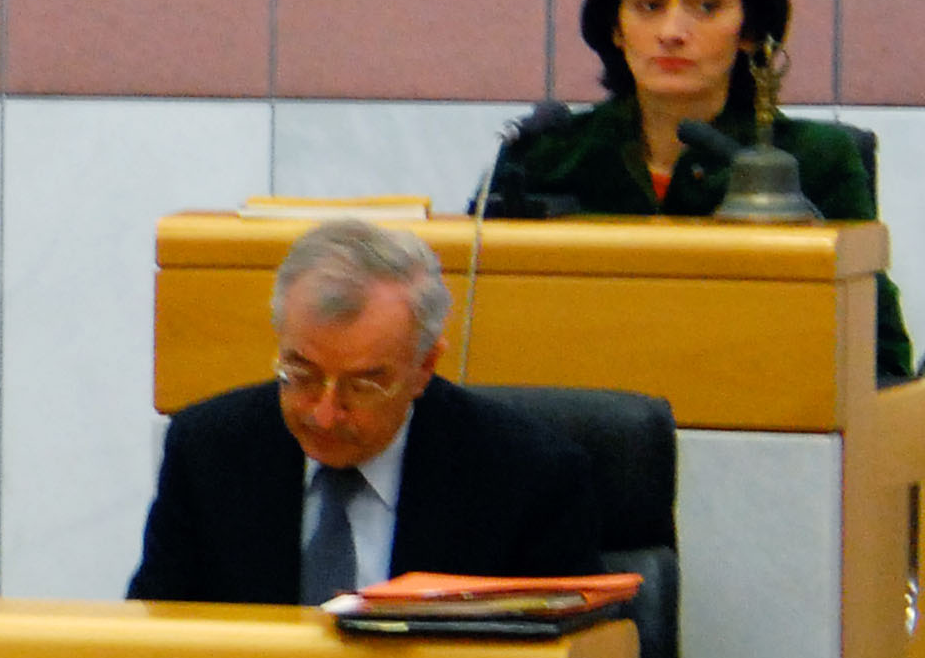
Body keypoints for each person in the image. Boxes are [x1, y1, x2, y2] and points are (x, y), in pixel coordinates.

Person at [484, 0, 911, 374]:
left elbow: (880, 360)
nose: (672, 31)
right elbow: (476, 322)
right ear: (616, 28)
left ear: (750, 31)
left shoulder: (813, 160)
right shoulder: (546, 151)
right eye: (649, 5)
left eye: (706, 6)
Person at [129, 218, 602, 605]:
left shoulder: (528, 478)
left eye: (363, 385)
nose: (325, 413)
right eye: (302, 374)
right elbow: (155, 643)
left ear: (424, 367)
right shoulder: (209, 451)